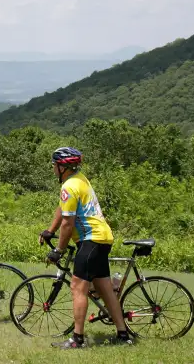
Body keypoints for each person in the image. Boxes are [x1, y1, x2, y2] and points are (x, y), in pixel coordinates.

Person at [40, 147, 133, 348]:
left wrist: (59, 250)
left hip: (91, 240)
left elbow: (68, 222)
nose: (53, 169)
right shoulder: (79, 179)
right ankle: (123, 335)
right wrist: (50, 229)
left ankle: (77, 340)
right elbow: (63, 208)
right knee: (105, 289)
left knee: (77, 287)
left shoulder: (69, 186)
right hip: (103, 238)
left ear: (62, 167)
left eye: (54, 165)